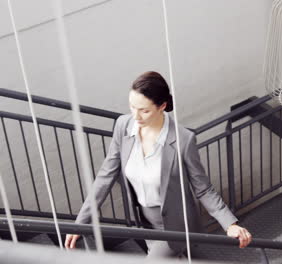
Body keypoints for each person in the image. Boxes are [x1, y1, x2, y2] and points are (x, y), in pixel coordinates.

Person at [65, 71, 252, 258]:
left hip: (174, 226)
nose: (136, 116)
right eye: (132, 107)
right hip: (145, 222)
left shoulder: (183, 140)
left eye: (144, 110)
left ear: (162, 106)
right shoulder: (123, 126)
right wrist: (81, 222)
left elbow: (203, 189)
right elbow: (105, 177)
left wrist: (230, 224)